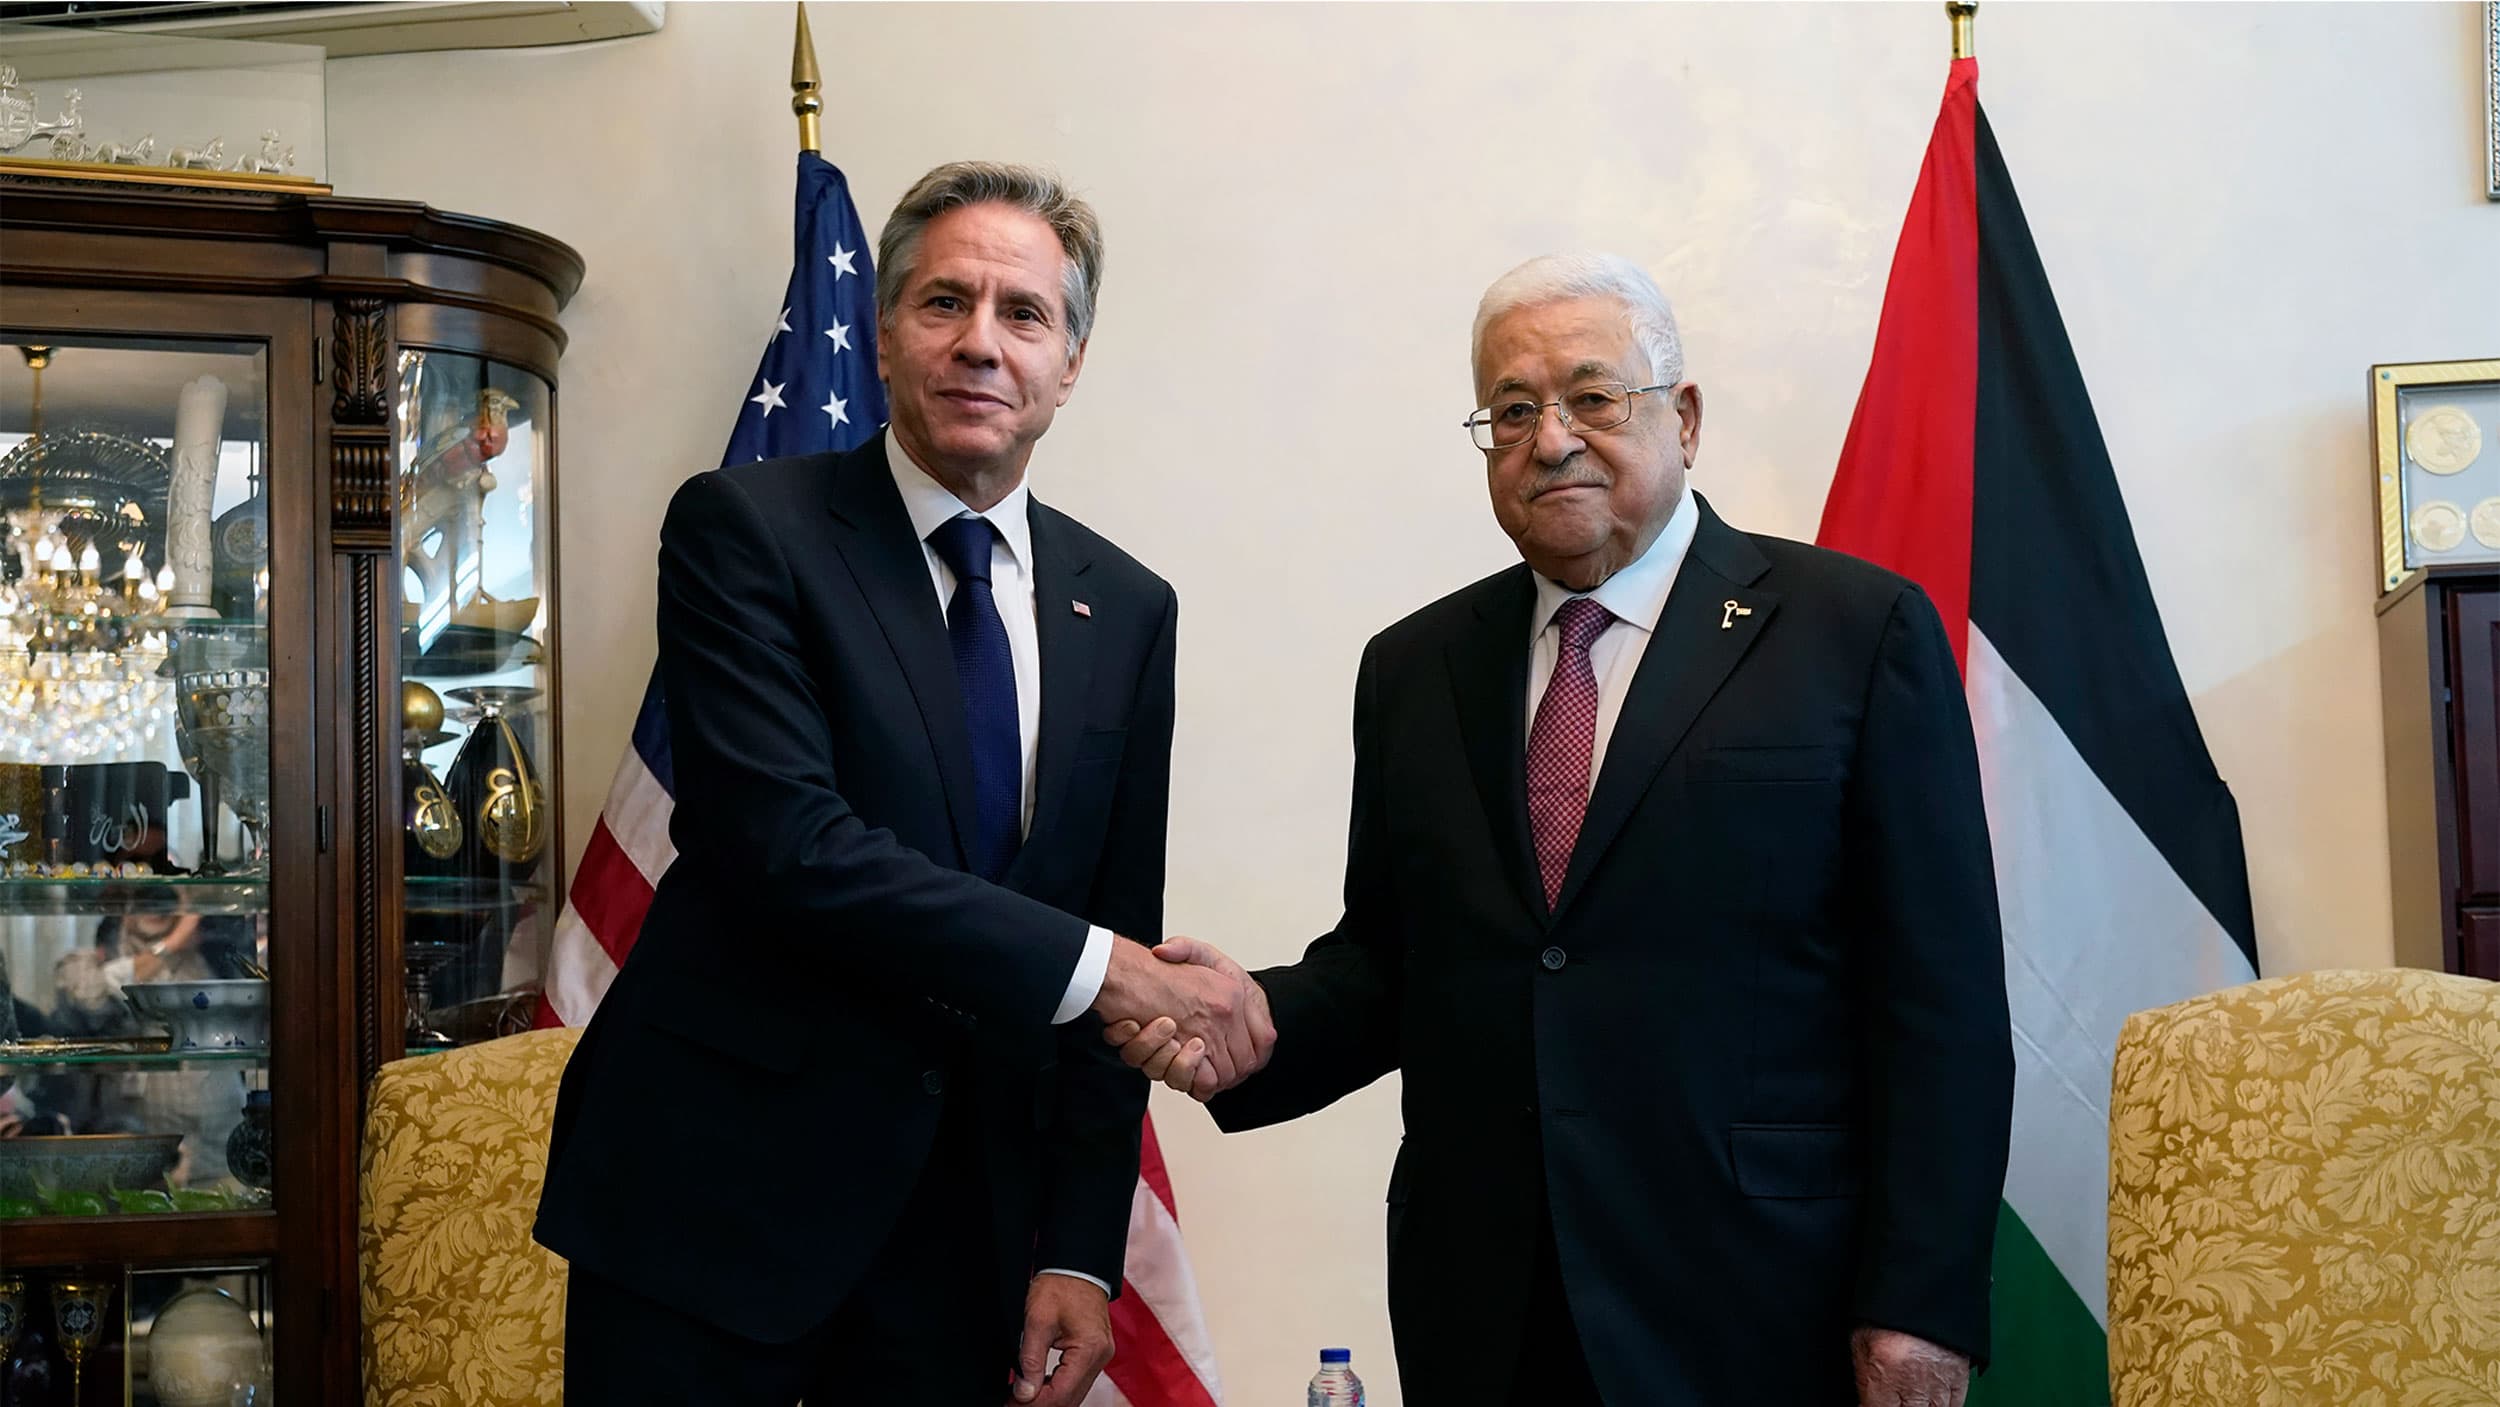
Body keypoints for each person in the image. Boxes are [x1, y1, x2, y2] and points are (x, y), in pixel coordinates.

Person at [1112, 254, 2015, 1407]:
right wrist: (1247, 1025)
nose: (1550, 439)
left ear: (1681, 419)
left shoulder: (1853, 632)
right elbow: (1395, 962)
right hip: (1489, 1305)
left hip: (1766, 1305)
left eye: (1594, 397)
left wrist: (1919, 1303)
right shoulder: (1415, 667)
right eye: (1512, 409)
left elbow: (1938, 1001)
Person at [536, 162, 1269, 1407]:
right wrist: (1113, 970)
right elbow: (792, 847)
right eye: (944, 304)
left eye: (1023, 314)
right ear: (882, 335)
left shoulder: (1129, 608)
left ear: (1071, 361)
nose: (981, 343)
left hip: (965, 1244)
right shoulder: (745, 530)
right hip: (715, 1217)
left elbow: (1110, 910)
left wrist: (1081, 1248)